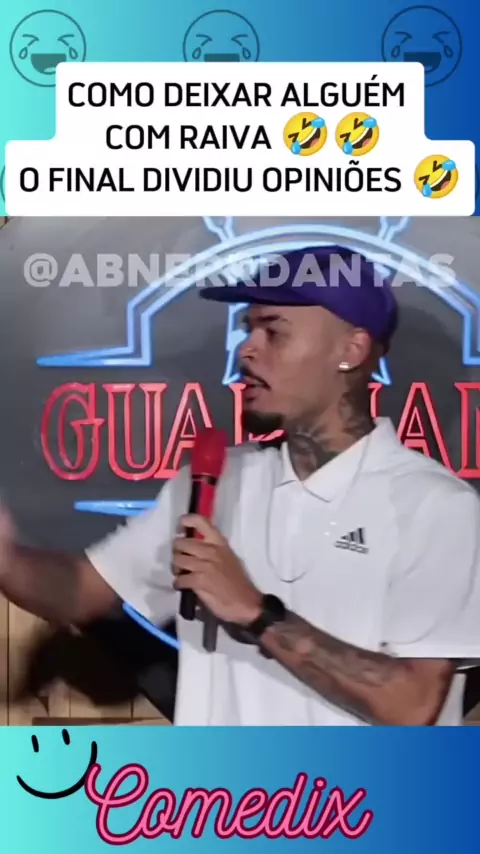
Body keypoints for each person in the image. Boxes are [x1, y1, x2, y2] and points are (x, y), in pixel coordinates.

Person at [1, 244, 480, 726]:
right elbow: (82, 590)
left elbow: (413, 705)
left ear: (350, 350)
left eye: (274, 331)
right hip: (224, 778)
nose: (246, 350)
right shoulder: (214, 480)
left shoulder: (435, 506)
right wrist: (8, 559)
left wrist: (255, 612)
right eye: (248, 329)